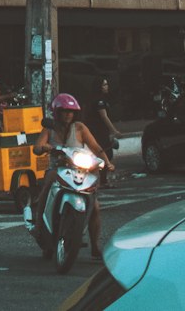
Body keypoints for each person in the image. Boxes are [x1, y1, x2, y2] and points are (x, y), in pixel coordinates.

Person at [31, 92, 113, 259]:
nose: (68, 115)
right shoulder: (49, 129)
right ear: (57, 112)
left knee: (95, 206)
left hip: (79, 170)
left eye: (71, 111)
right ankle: (40, 230)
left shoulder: (80, 128)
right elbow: (37, 147)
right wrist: (44, 148)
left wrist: (107, 162)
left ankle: (95, 246)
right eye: (64, 111)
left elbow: (96, 148)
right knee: (45, 192)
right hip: (57, 169)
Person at [84, 78, 122, 187]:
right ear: (99, 87)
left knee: (104, 154)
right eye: (104, 84)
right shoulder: (99, 101)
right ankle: (101, 181)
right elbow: (104, 117)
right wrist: (114, 131)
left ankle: (102, 180)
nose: (107, 86)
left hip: (100, 131)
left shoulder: (100, 99)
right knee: (105, 154)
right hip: (98, 132)